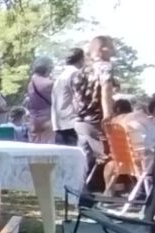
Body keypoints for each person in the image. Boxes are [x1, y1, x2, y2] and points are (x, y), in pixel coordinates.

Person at [72, 36, 118, 191]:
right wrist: (108, 115)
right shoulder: (105, 67)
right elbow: (106, 91)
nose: (113, 51)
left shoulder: (81, 71)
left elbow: (76, 97)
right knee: (111, 156)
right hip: (96, 120)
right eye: (111, 47)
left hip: (79, 121)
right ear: (101, 49)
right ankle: (108, 193)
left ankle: (80, 192)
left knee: (85, 159)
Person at [51, 48, 85, 146]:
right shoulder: (75, 74)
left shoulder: (61, 76)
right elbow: (78, 97)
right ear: (81, 59)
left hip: (59, 122)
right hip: (71, 122)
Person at [26, 58, 56, 144]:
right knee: (47, 149)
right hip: (47, 118)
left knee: (34, 147)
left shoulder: (31, 83)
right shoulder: (50, 83)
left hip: (33, 119)